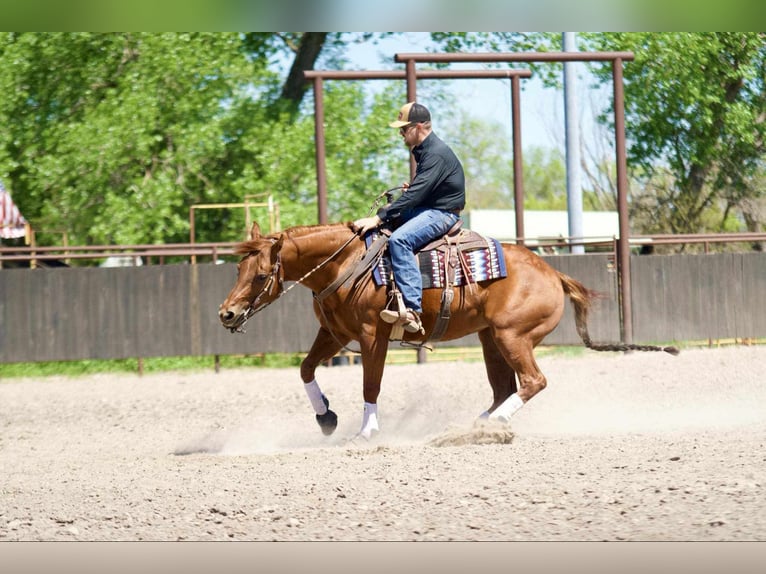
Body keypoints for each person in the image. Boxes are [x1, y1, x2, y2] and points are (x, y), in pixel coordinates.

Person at [353, 101, 466, 334]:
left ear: (418, 127)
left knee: (399, 240)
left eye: (403, 129)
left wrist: (378, 218)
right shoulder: (426, 152)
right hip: (432, 209)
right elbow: (422, 191)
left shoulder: (435, 153)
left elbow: (416, 195)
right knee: (388, 228)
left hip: (442, 214)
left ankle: (412, 308)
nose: (401, 134)